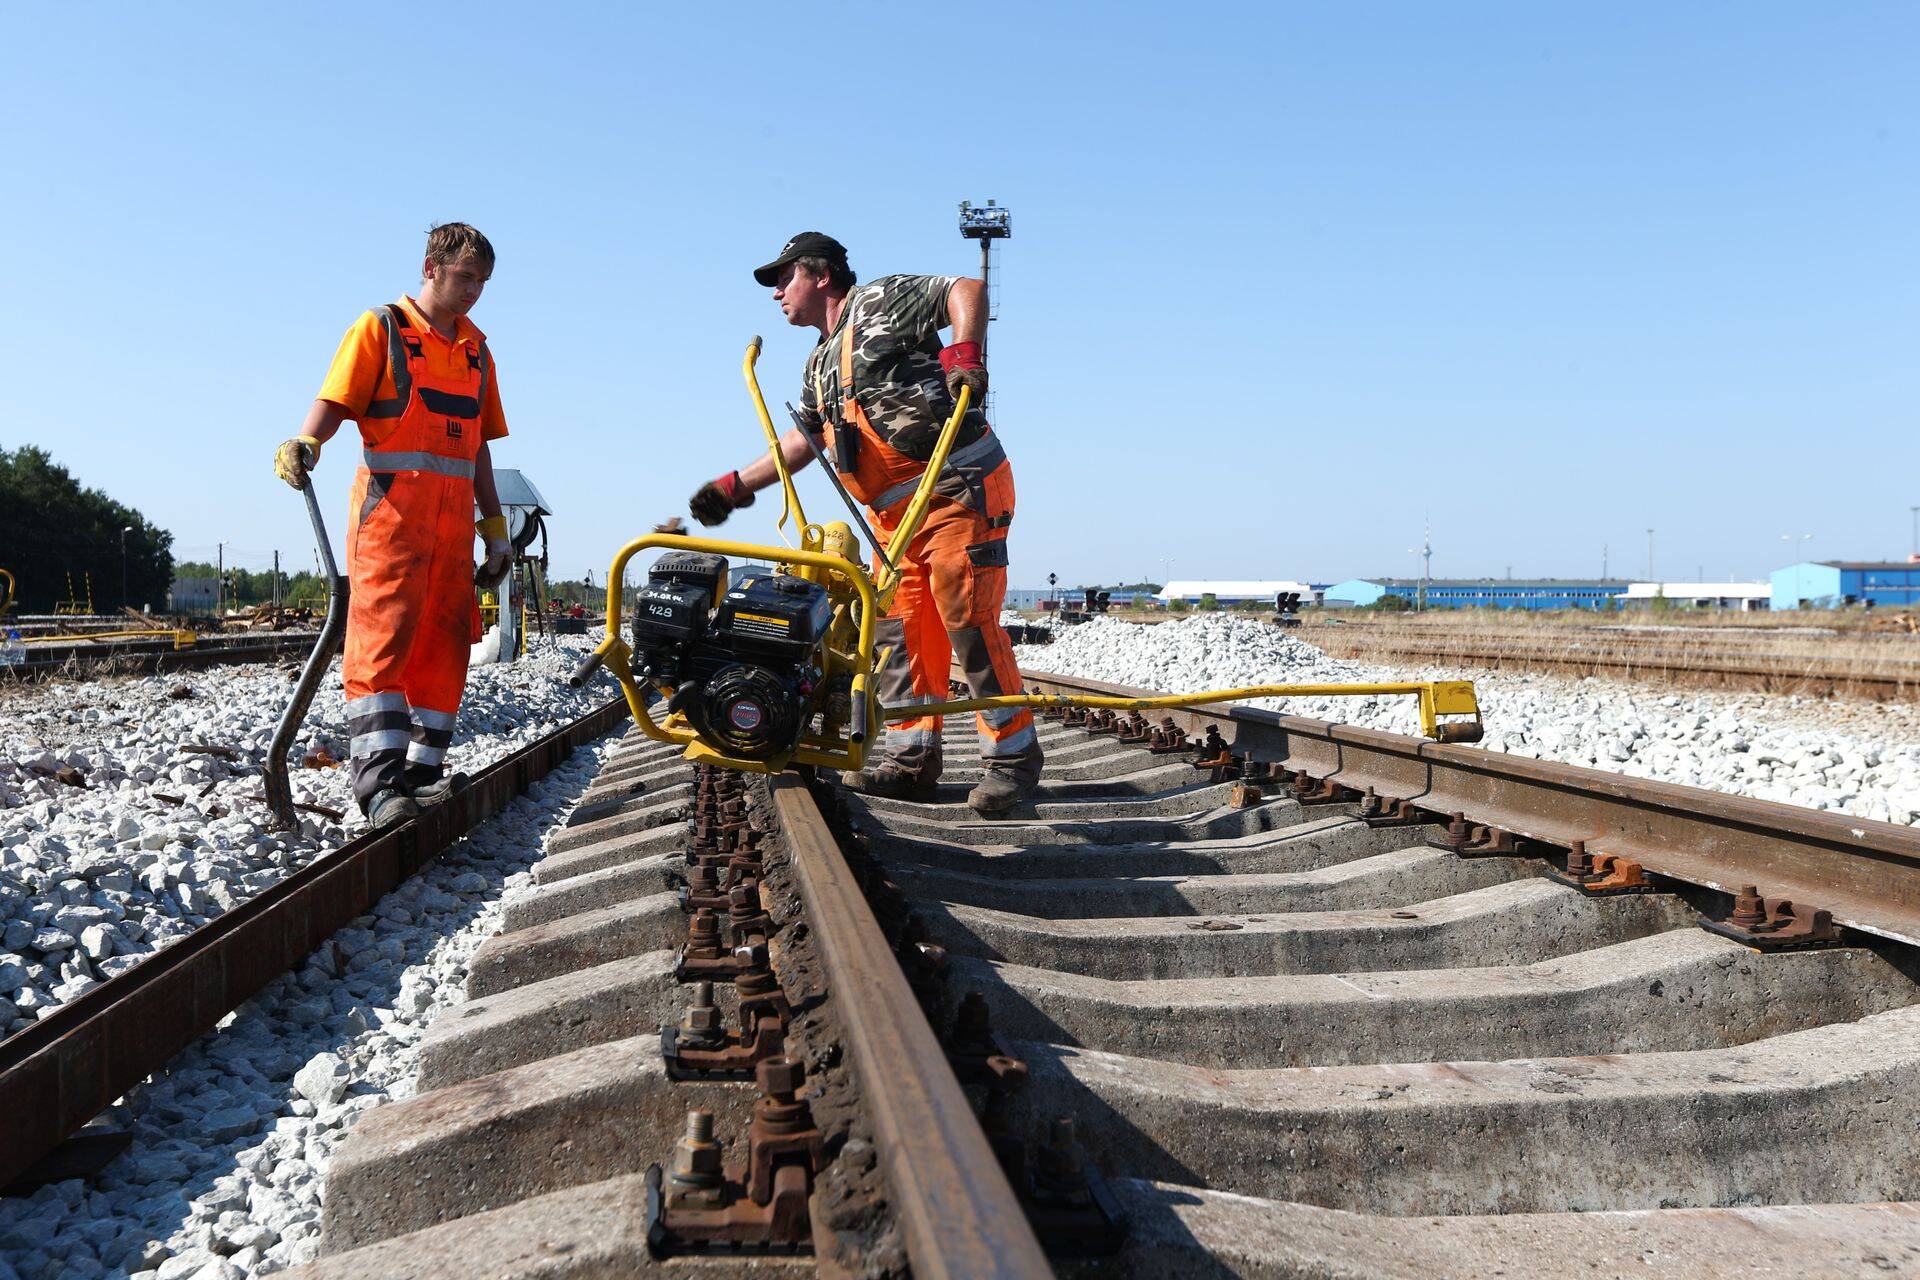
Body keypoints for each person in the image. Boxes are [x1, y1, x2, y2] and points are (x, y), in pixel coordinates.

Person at [689, 232, 1041, 814]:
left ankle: (1012, 760)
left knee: (965, 618)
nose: (776, 293)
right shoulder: (818, 365)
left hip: (954, 485)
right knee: (899, 634)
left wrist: (964, 353)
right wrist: (735, 487)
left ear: (820, 275)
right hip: (893, 517)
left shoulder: (880, 300)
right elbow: (806, 441)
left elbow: (967, 289)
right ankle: (912, 760)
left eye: (784, 279)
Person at [274, 223, 514, 829]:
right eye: (465, 278)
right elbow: (336, 402)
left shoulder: (476, 352)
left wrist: (494, 528)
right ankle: (379, 786)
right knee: (381, 646)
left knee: (443, 648)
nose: (473, 293)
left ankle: (422, 776)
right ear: (430, 267)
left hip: (453, 532)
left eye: (483, 283)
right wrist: (308, 438)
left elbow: (479, 449)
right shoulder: (382, 330)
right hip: (391, 524)